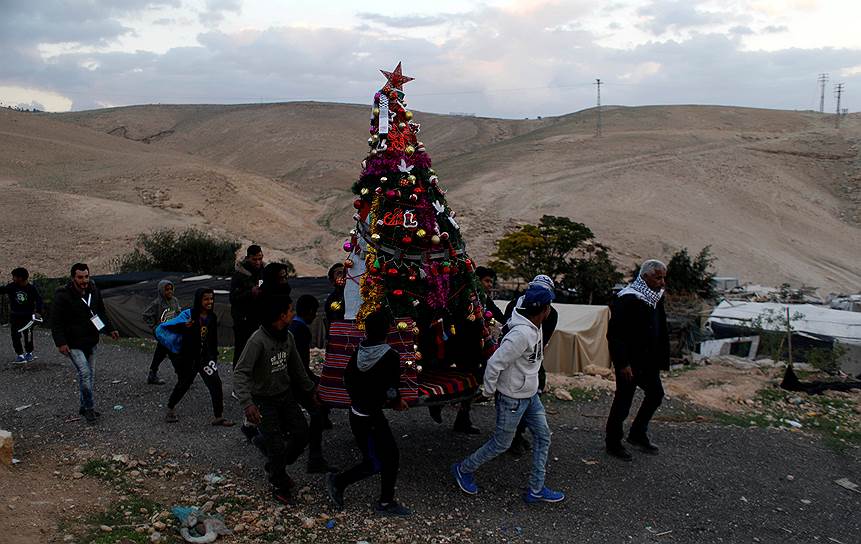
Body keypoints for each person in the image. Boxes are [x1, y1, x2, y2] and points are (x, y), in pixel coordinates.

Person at [451, 284, 565, 504]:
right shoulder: (521, 334)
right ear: (545, 310)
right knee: (501, 443)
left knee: (543, 436)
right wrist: (489, 391)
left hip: (529, 395)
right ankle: (463, 468)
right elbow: (494, 363)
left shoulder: (533, 320)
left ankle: (536, 488)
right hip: (512, 397)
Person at [325, 309, 411, 517]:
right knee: (382, 459)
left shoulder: (359, 350)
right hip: (370, 417)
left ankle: (382, 499)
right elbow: (391, 389)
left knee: (380, 457)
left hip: (357, 412)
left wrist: (359, 396)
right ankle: (346, 485)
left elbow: (347, 379)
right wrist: (398, 401)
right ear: (388, 331)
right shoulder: (390, 356)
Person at [234, 295, 317, 504]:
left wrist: (311, 391)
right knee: (276, 444)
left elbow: (297, 368)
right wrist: (247, 403)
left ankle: (275, 464)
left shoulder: (287, 337)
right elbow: (240, 373)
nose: (293, 313)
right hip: (263, 400)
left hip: (285, 395)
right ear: (281, 315)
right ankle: (279, 483)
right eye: (290, 310)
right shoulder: (257, 341)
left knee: (301, 434)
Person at [605, 260, 669, 461]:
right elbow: (615, 335)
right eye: (658, 277)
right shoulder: (628, 299)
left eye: (663, 277)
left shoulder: (655, 298)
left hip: (648, 361)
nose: (662, 282)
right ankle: (613, 442)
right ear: (645, 277)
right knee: (623, 401)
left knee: (656, 394)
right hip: (630, 363)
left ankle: (637, 433)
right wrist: (622, 363)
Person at [50, 263, 119, 423]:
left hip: (91, 340)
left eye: (86, 276)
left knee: (90, 376)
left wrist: (110, 329)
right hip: (73, 343)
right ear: (73, 277)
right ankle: (89, 409)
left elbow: (100, 311)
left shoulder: (94, 291)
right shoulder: (63, 296)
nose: (84, 280)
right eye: (80, 277)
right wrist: (60, 343)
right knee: (85, 373)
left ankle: (83, 405)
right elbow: (56, 321)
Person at [503, 274, 559, 456]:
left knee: (532, 394)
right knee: (512, 397)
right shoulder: (514, 305)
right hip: (513, 358)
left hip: (532, 360)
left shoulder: (551, 314)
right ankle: (509, 437)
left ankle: (519, 432)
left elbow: (542, 341)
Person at [163, 288, 234, 427]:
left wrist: (214, 356)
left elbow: (213, 339)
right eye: (206, 299)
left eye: (211, 299)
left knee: (216, 383)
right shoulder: (189, 315)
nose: (209, 302)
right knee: (184, 384)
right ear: (199, 300)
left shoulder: (212, 317)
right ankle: (170, 407)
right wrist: (184, 326)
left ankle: (218, 417)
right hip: (189, 358)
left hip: (205, 358)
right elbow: (171, 327)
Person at [288, 294, 335, 473]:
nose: (315, 316)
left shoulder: (293, 327)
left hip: (294, 379)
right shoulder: (301, 330)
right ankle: (314, 458)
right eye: (314, 312)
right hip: (297, 381)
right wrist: (312, 384)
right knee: (315, 414)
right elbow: (300, 364)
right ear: (309, 312)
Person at [230, 245, 265, 365]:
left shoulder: (262, 272)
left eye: (260, 259)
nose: (258, 262)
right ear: (248, 258)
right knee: (242, 349)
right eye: (255, 259)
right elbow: (233, 298)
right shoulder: (240, 274)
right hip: (242, 319)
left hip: (258, 317)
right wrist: (251, 293)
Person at [141, 279, 181, 384]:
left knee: (161, 352)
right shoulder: (157, 303)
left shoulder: (174, 301)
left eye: (171, 289)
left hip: (173, 332)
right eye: (166, 290)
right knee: (172, 352)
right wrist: (154, 327)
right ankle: (182, 375)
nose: (169, 292)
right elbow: (146, 315)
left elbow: (178, 312)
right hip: (163, 333)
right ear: (161, 291)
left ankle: (152, 373)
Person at [2, 267, 43, 363]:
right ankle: (20, 354)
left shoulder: (31, 288)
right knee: (15, 335)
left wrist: (38, 312)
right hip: (15, 316)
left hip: (28, 316)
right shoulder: (12, 287)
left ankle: (29, 353)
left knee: (28, 335)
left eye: (14, 277)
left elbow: (39, 300)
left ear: (20, 278)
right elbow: (2, 290)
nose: (13, 278)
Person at [323, 263, 346, 337]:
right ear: (332, 280)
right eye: (339, 273)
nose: (344, 275)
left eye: (345, 272)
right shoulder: (331, 300)